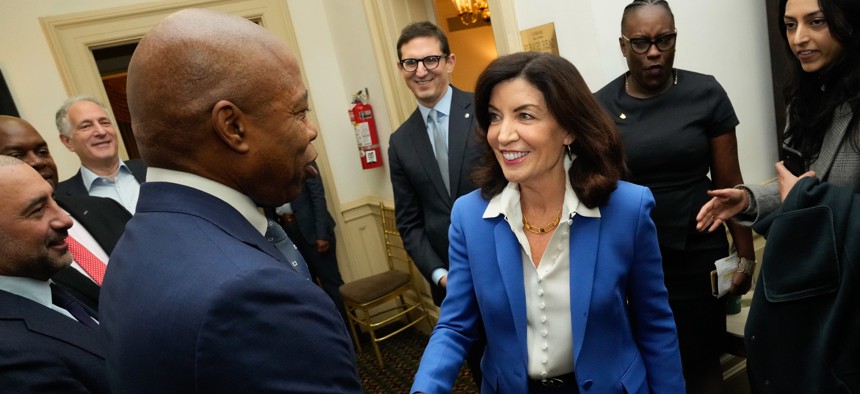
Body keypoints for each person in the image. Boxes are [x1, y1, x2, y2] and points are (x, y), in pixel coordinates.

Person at [98, 9, 361, 392]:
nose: (311, 130)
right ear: (232, 127)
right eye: (299, 111)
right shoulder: (252, 294)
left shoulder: (136, 244)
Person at [412, 51, 684, 394]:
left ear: (568, 128)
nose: (504, 135)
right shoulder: (470, 218)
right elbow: (454, 327)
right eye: (495, 117)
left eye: (524, 115)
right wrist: (426, 387)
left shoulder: (627, 209)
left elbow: (655, 325)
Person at [593, 1, 755, 391]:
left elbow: (730, 182)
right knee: (647, 358)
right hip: (634, 255)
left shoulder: (706, 92)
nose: (653, 51)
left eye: (664, 40)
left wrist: (745, 255)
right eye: (641, 42)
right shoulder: (601, 106)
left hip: (699, 251)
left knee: (702, 361)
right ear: (623, 45)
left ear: (675, 39)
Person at [697, 0, 860, 390]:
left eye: (816, 22)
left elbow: (807, 194)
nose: (798, 38)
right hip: (811, 282)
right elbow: (798, 185)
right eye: (789, 25)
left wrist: (807, 196)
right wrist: (749, 199)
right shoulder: (805, 96)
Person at [387, 21, 484, 383]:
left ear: (449, 61)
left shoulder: (485, 111)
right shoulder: (401, 141)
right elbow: (409, 224)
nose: (421, 70)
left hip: (509, 269)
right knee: (481, 371)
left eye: (430, 59)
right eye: (410, 63)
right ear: (401, 69)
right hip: (453, 288)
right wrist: (442, 277)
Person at [0, 155, 108, 393]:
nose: (65, 220)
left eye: (54, 199)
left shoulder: (49, 286)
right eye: (38, 210)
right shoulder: (11, 356)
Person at [0, 115, 131, 310]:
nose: (37, 162)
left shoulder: (105, 208)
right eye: (16, 157)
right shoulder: (17, 259)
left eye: (42, 151)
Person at [274, 161, 348, 323]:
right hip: (287, 233)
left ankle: (351, 338)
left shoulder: (303, 158)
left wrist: (321, 234)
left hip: (314, 232)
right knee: (309, 290)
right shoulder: (265, 167)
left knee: (332, 286)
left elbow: (318, 196)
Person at [55, 95, 146, 214]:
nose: (101, 132)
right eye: (86, 126)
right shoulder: (61, 198)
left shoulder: (153, 170)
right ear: (68, 142)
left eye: (104, 123)